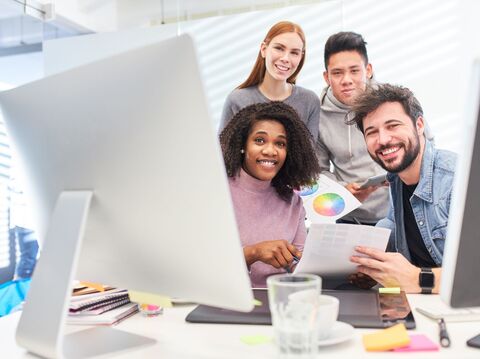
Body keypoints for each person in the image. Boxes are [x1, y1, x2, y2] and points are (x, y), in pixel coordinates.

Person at [347, 84, 456, 294]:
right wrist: (377, 271)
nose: (383, 140)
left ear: (419, 125)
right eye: (372, 132)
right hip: (422, 304)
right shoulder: (396, 181)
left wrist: (417, 278)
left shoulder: (457, 179)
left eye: (393, 125)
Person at [219, 101, 320, 287]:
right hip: (225, 300)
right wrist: (253, 253)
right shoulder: (217, 193)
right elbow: (202, 262)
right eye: (259, 140)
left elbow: (300, 267)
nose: (270, 151)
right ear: (242, 145)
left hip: (277, 302)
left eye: (280, 144)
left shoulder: (293, 202)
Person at [316, 31, 389, 225]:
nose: (346, 80)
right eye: (337, 73)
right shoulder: (317, 115)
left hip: (397, 214)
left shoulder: (393, 103)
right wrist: (343, 190)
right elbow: (318, 172)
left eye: (354, 71)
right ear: (326, 77)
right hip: (349, 217)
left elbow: (425, 147)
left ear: (368, 70)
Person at [219, 21, 320, 142]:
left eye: (294, 52)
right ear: (264, 49)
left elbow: (311, 157)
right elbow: (222, 155)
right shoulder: (237, 100)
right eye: (279, 48)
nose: (285, 58)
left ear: (301, 57)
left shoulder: (309, 101)